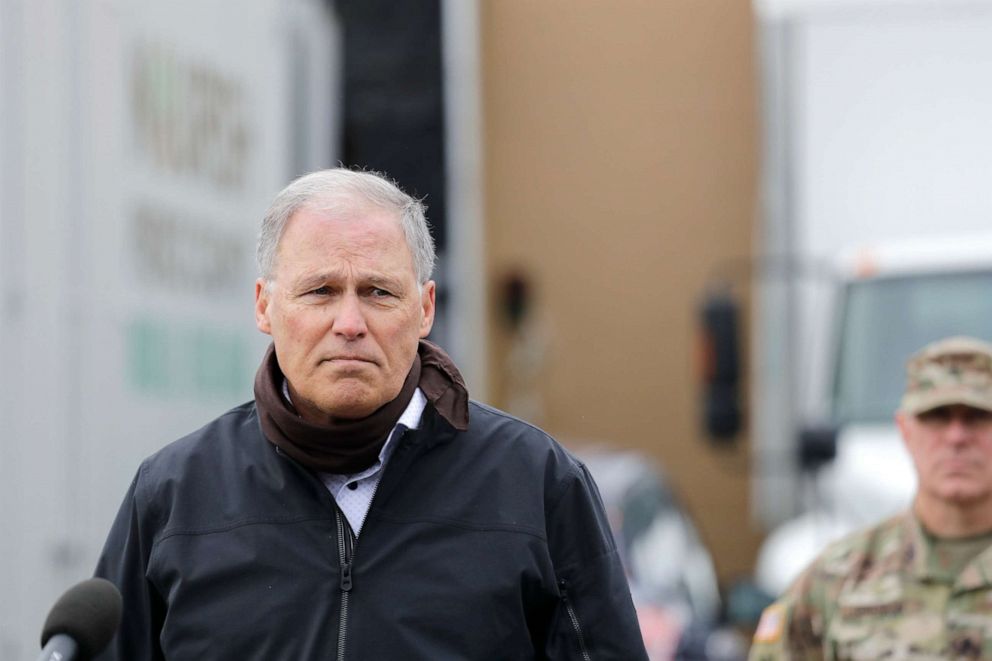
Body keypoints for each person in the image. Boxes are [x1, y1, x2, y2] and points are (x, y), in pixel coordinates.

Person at [94, 168, 648, 660]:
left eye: (379, 292)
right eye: (320, 291)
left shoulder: (536, 483)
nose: (350, 322)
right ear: (264, 305)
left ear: (425, 308)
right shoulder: (173, 494)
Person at [749, 336, 992, 660]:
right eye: (937, 416)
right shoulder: (835, 583)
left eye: (978, 416)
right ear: (905, 430)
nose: (956, 436)